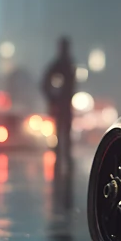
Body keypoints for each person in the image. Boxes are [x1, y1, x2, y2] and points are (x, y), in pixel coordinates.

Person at [42, 37, 76, 181]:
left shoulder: (67, 64)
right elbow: (45, 83)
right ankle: (61, 158)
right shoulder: (62, 64)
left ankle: (63, 158)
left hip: (65, 104)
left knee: (64, 133)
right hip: (61, 105)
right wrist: (53, 98)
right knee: (60, 133)